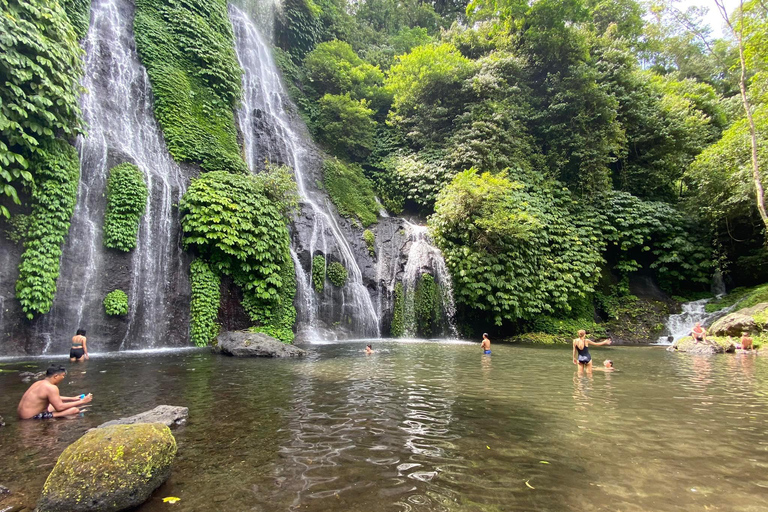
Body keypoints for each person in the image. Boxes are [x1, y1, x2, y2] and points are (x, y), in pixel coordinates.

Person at [17, 365, 92, 419]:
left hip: (23, 415)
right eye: (63, 376)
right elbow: (59, 407)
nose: (63, 378)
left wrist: (73, 398)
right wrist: (82, 402)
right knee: (74, 410)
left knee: (53, 405)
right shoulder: (51, 388)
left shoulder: (39, 383)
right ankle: (54, 416)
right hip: (31, 418)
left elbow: (53, 398)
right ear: (56, 376)